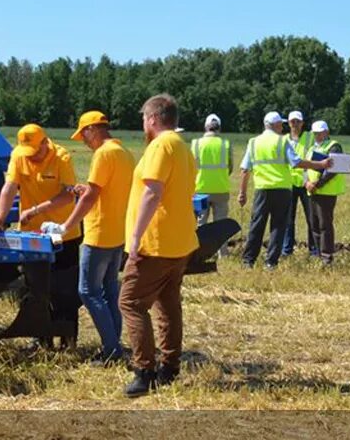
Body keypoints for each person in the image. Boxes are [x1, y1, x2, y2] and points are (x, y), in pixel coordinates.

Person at [119, 94, 198, 397]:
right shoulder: (183, 147)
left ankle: (144, 370)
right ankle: (170, 366)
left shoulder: (160, 146)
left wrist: (136, 237)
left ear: (152, 119)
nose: (143, 124)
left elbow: (152, 192)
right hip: (180, 241)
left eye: (143, 118)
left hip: (156, 242)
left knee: (130, 303)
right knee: (167, 303)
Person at [41, 111, 135, 365]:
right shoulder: (123, 152)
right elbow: (104, 190)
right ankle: (115, 343)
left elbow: (92, 196)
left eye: (83, 134)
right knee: (109, 289)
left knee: (88, 291)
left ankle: (111, 349)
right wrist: (86, 190)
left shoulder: (103, 154)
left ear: (93, 129)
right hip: (118, 232)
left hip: (99, 234)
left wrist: (67, 225)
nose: (83, 140)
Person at [0, 123, 81, 349]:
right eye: (27, 153)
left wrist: (35, 210)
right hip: (31, 236)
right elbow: (9, 187)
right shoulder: (19, 156)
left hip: (64, 234)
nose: (30, 157)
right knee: (36, 287)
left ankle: (68, 339)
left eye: (35, 152)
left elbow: (67, 196)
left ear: (45, 143)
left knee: (64, 288)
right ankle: (41, 338)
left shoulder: (61, 157)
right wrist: (0, 220)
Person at [238, 112, 331, 270]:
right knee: (278, 226)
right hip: (281, 189)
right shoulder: (282, 141)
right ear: (274, 126)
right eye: (281, 124)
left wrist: (243, 192)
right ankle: (270, 262)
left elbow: (245, 169)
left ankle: (248, 260)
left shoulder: (253, 142)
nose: (283, 127)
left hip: (262, 189)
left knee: (257, 224)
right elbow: (296, 162)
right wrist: (320, 165)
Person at [305, 120, 346, 266]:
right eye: (315, 133)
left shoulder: (334, 146)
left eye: (319, 132)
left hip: (326, 192)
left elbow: (333, 169)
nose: (317, 135)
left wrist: (318, 184)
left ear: (326, 132)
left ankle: (327, 257)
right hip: (312, 191)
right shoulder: (311, 149)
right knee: (314, 224)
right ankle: (318, 254)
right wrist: (307, 183)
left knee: (325, 225)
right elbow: (305, 168)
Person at [191, 114, 233, 243]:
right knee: (221, 224)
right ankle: (222, 252)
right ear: (219, 128)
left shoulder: (196, 143)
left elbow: (191, 166)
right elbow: (230, 167)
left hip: (200, 189)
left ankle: (199, 250)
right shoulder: (226, 144)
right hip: (221, 189)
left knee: (200, 223)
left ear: (205, 127)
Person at [282, 110, 316, 257]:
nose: (295, 124)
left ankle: (314, 250)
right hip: (289, 184)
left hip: (306, 182)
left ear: (302, 123)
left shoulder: (310, 137)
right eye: (292, 121)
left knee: (312, 218)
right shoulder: (283, 140)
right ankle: (286, 250)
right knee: (288, 220)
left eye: (298, 121)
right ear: (288, 124)